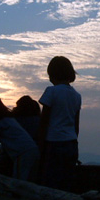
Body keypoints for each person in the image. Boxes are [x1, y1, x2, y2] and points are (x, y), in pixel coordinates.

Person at [38, 56, 82, 190]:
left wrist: (40, 145)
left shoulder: (51, 91)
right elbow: (76, 125)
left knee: (49, 180)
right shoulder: (76, 95)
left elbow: (44, 121)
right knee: (66, 179)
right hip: (71, 143)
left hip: (53, 143)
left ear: (53, 74)